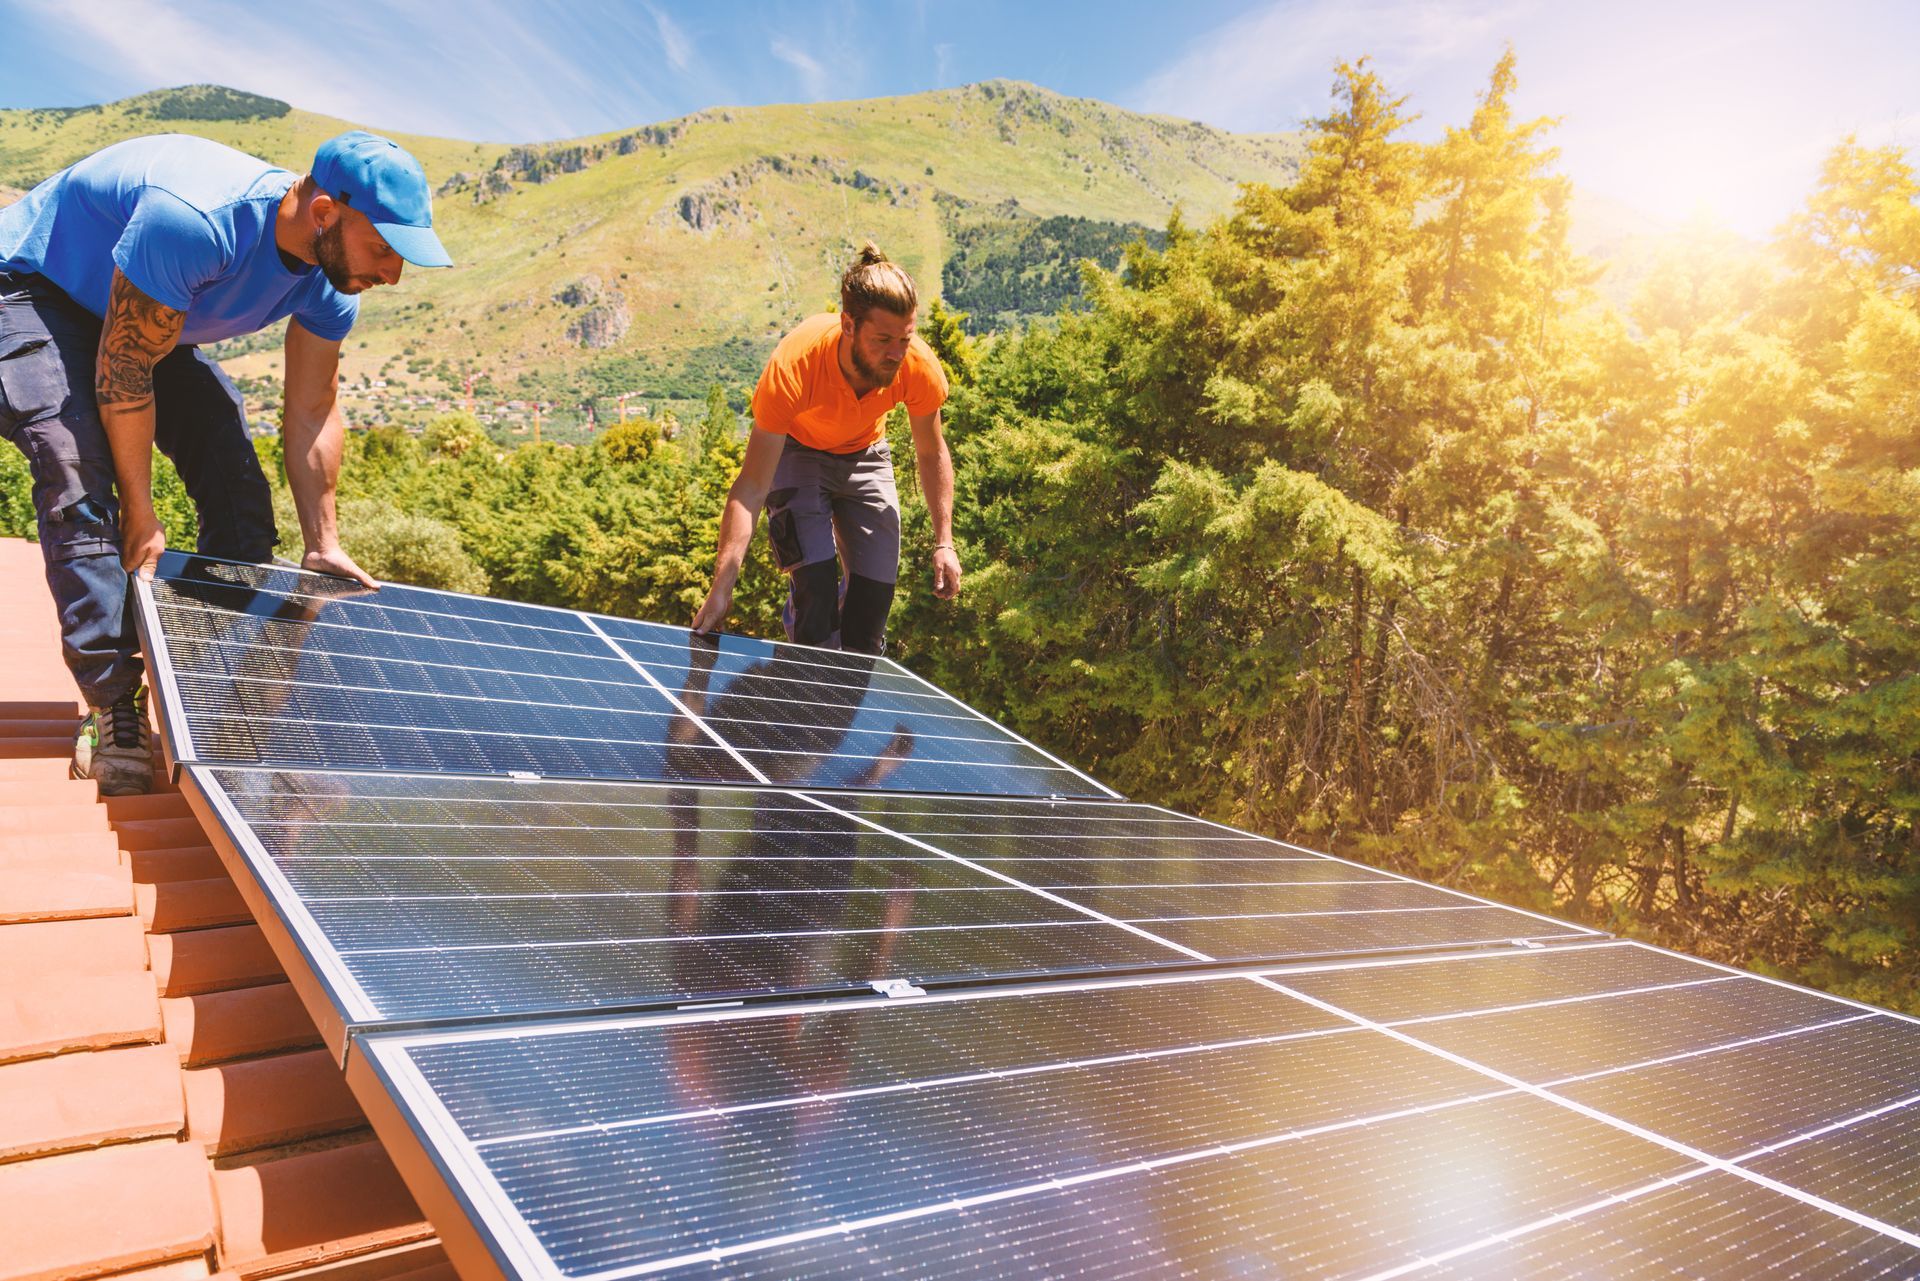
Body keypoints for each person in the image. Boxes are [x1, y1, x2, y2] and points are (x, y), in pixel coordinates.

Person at [0, 129, 452, 795]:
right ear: (324, 213)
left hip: (142, 311)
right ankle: (114, 703)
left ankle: (197, 678)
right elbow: (124, 371)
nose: (391, 273)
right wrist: (143, 512)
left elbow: (311, 411)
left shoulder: (332, 284)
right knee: (78, 467)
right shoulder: (197, 220)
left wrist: (323, 542)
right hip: (36, 291)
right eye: (382, 248)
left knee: (237, 484)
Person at [691, 244, 961, 653]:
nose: (896, 354)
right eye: (883, 339)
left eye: (905, 338)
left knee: (868, 619)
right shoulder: (795, 366)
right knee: (815, 596)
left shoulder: (916, 366)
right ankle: (807, 677)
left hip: (866, 455)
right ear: (848, 325)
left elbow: (931, 453)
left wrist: (945, 542)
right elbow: (750, 488)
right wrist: (722, 588)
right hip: (799, 453)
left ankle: (838, 691)